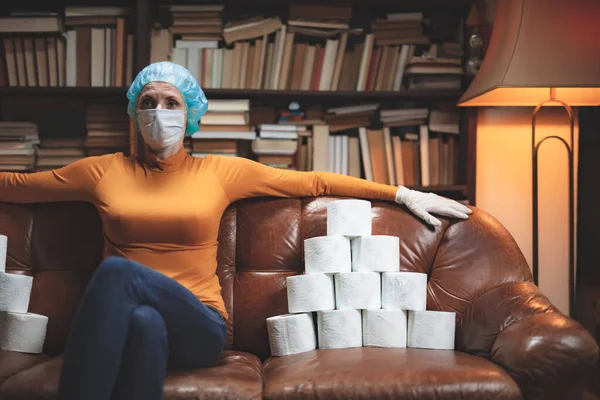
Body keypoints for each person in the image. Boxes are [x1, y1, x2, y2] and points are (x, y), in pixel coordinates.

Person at [0, 61, 471, 400]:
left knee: (117, 275)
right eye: (148, 102)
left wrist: (402, 194)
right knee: (142, 321)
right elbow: (18, 186)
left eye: (171, 102)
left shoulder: (220, 172)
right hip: (130, 324)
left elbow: (314, 181)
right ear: (134, 113)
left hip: (200, 324)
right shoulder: (104, 171)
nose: (159, 112)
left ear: (190, 115)